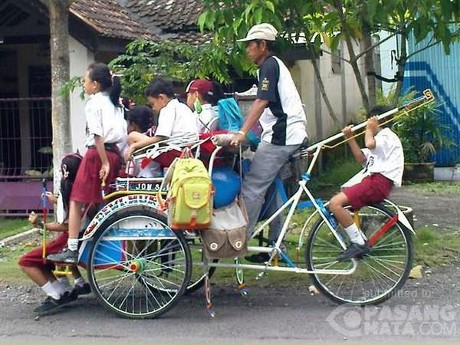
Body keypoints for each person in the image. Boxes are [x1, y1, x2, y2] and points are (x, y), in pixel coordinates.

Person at [230, 23, 308, 258]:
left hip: (281, 136)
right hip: (288, 134)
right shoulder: (273, 66)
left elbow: (261, 102)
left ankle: (238, 242)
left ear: (263, 45)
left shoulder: (270, 66)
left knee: (252, 188)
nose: (247, 50)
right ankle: (276, 244)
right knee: (273, 187)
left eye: (250, 45)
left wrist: (242, 132)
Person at [47, 62, 126, 264]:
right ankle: (92, 239)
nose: (84, 84)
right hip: (115, 152)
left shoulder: (93, 103)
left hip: (98, 154)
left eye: (85, 81)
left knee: (76, 200)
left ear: (95, 84)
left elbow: (97, 135)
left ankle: (72, 247)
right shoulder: (116, 102)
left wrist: (104, 162)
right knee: (99, 199)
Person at [329, 105, 404, 261]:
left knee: (335, 203)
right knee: (338, 201)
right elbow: (361, 158)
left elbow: (369, 144)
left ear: (377, 121)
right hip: (373, 181)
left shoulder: (386, 136)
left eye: (368, 122)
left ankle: (358, 242)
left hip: (378, 182)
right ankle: (358, 238)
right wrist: (349, 137)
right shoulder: (380, 142)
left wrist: (369, 129)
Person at [18, 154, 91, 315]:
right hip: (78, 235)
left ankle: (56, 295)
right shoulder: (85, 190)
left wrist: (40, 224)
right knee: (41, 259)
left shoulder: (72, 196)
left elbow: (67, 226)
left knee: (25, 261)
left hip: (70, 238)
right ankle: (62, 291)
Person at [124, 77, 198, 161]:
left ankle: (142, 166)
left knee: (132, 136)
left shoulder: (168, 109)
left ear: (161, 98)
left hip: (174, 153)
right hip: (189, 150)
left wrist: (134, 146)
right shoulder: (182, 106)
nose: (153, 108)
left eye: (153, 104)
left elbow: (161, 137)